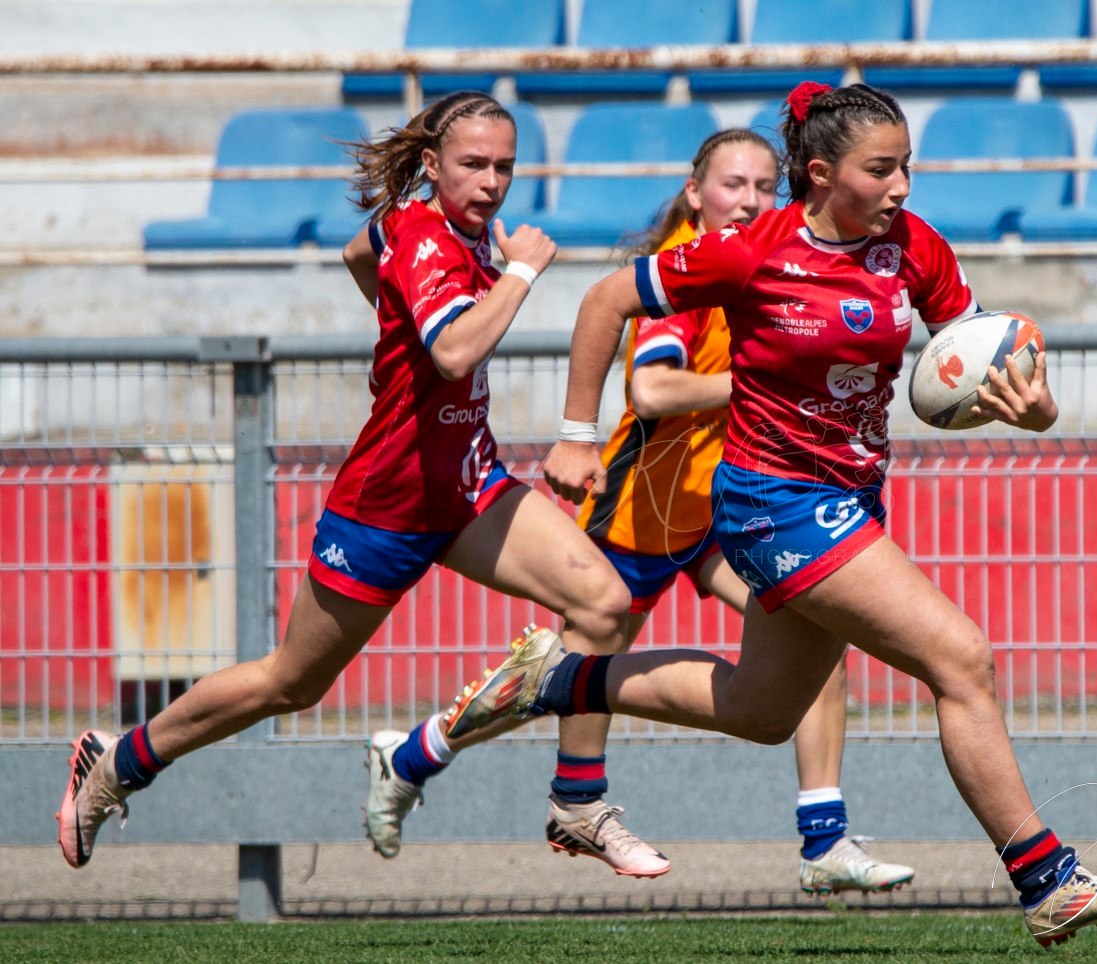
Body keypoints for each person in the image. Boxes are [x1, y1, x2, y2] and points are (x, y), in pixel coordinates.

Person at [450, 82, 1097, 949]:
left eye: (906, 166)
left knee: (762, 711)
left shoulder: (913, 246)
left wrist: (1030, 404)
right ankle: (1046, 878)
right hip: (770, 502)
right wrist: (574, 435)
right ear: (820, 174)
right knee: (961, 658)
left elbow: (977, 353)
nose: (902, 186)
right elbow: (606, 303)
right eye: (881, 168)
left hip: (848, 497)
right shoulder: (749, 251)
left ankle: (550, 681)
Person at [55, 90, 667, 877]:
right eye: (474, 165)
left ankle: (576, 802)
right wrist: (519, 274)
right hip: (387, 504)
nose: (491, 182)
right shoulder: (427, 239)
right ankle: (118, 761)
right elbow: (452, 354)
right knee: (292, 682)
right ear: (432, 164)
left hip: (468, 483)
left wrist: (398, 318)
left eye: (505, 167)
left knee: (603, 602)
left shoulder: (439, 232)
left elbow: (357, 253)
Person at [363, 127, 915, 894]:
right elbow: (654, 390)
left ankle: (823, 839)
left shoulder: (776, 256)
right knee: (571, 673)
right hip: (643, 511)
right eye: (732, 185)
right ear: (695, 194)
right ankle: (424, 753)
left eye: (763, 186)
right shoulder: (688, 269)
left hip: (724, 512)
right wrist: (767, 387)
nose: (750, 200)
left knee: (818, 631)